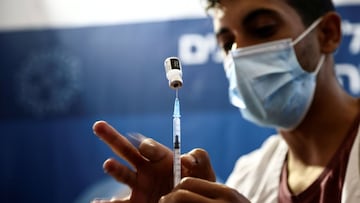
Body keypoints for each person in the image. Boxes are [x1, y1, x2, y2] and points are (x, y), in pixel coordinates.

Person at [91, 0, 360, 202]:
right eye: (227, 43)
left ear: (327, 33)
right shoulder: (249, 176)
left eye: (263, 29)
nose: (239, 53)